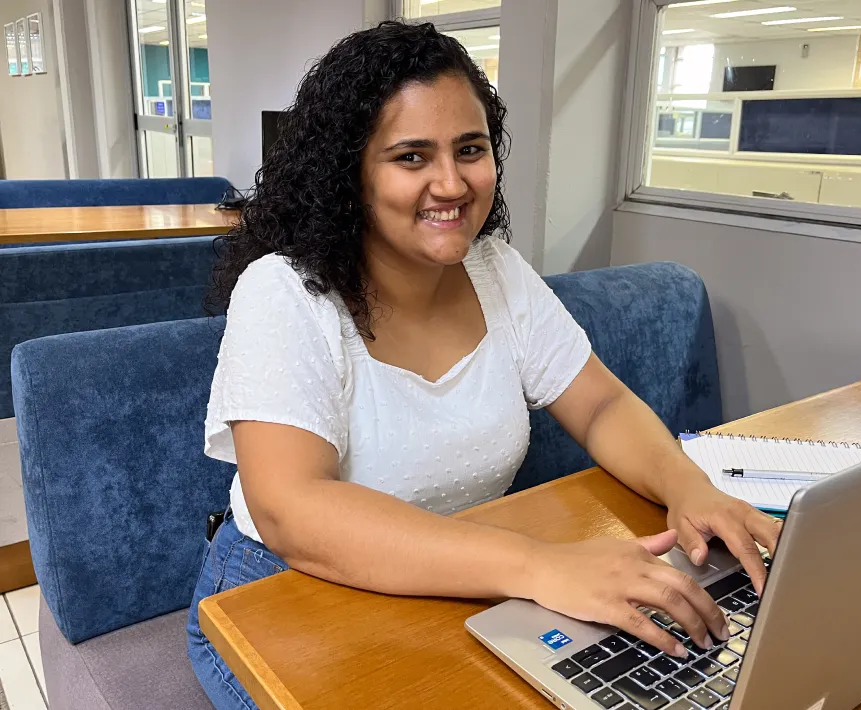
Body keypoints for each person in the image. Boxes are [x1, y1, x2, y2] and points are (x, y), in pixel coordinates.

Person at [186, 20, 782, 709]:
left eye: (469, 149)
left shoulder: (495, 269)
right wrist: (538, 567)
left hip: (455, 573)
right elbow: (294, 511)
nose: (451, 182)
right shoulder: (283, 290)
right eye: (411, 157)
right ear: (348, 173)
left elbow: (600, 404)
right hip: (281, 595)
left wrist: (687, 485)